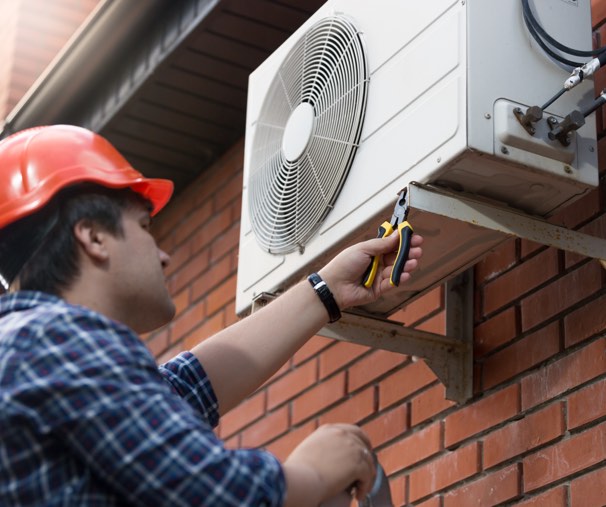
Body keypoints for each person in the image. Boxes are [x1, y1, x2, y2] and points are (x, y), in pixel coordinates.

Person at [0, 125, 423, 507]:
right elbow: (212, 493)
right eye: (146, 227)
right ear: (93, 236)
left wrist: (327, 290)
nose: (163, 256)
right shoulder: (57, 341)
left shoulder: (34, 349)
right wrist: (312, 474)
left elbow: (183, 388)